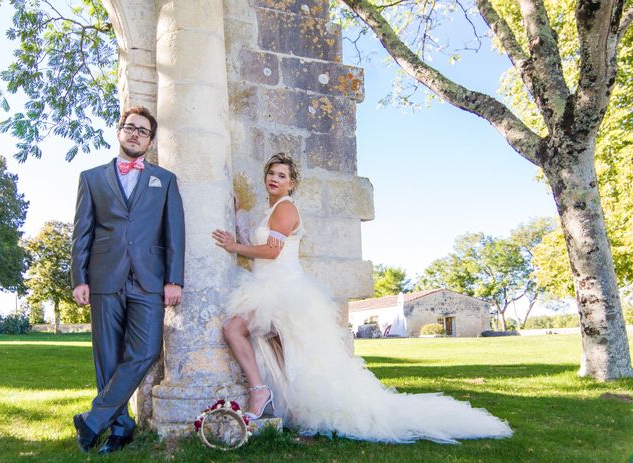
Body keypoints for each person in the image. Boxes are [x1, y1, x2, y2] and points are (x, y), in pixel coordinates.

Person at [212, 153, 512, 444]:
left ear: (292, 184)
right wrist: (236, 212)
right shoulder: (271, 210)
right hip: (268, 287)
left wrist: (234, 246)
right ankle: (273, 396)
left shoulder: (285, 209)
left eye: (282, 176)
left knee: (242, 332)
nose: (275, 179)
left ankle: (260, 391)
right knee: (284, 351)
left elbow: (272, 252)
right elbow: (261, 242)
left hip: (283, 290)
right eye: (271, 173)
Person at [71, 106, 185, 454]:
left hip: (149, 280)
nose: (135, 134)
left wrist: (174, 279)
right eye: (129, 127)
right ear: (119, 132)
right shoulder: (91, 178)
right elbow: (82, 233)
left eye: (143, 131)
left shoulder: (164, 180)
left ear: (150, 141)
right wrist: (79, 277)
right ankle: (120, 428)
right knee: (107, 356)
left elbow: (175, 233)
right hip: (104, 276)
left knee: (146, 350)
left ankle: (93, 420)